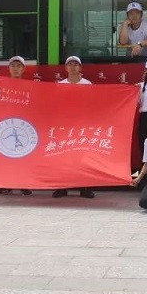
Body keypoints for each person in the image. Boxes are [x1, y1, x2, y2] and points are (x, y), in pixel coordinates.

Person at [53, 56, 95, 199]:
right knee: (63, 156)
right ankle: (62, 187)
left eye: (75, 64)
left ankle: (85, 187)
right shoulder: (60, 85)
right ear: (65, 68)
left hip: (82, 124)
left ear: (80, 67)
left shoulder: (87, 84)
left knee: (83, 156)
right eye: (69, 64)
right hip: (65, 125)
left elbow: (93, 104)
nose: (72, 67)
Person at [0, 56, 32, 197]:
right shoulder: (2, 85)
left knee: (23, 157)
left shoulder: (30, 86)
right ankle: (4, 185)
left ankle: (23, 184)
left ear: (23, 69)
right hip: (6, 126)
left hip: (24, 126)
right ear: (9, 68)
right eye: (13, 66)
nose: (15, 69)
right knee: (5, 157)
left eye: (18, 66)